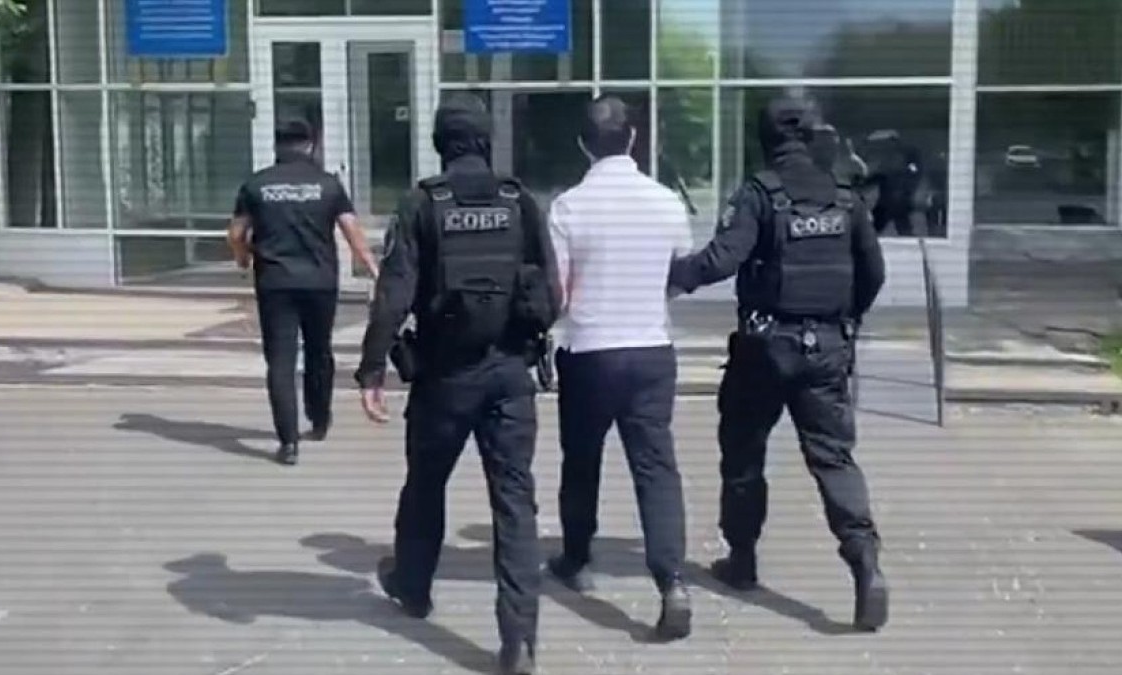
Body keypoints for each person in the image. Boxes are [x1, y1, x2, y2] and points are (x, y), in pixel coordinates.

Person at [353, 94, 561, 674]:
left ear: (439, 143)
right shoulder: (519, 201)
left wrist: (372, 368)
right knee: (514, 503)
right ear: (486, 141)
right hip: (510, 374)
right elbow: (551, 291)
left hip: (444, 377)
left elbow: (393, 292)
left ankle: (414, 588)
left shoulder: (424, 203)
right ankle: (519, 640)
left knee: (426, 485)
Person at [668, 92, 890, 632]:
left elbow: (722, 259)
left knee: (744, 453)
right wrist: (846, 320)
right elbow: (874, 272)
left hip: (765, 348)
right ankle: (865, 563)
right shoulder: (845, 196)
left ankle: (742, 560)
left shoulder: (759, 193)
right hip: (827, 347)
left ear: (764, 138)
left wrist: (670, 276)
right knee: (834, 458)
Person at [543, 95, 693, 641]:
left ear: (583, 144)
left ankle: (576, 558)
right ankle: (672, 582)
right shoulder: (666, 202)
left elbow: (557, 291)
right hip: (652, 350)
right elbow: (679, 274)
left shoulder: (567, 207)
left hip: (589, 352)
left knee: (581, 461)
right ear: (633, 138)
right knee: (656, 468)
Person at [227, 119, 379, 466]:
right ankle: (320, 419)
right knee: (318, 350)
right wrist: (373, 269)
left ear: (276, 145)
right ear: (310, 145)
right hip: (320, 282)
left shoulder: (256, 185)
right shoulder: (328, 184)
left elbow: (236, 234)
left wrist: (243, 259)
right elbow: (352, 231)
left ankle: (288, 442)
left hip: (275, 282)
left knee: (280, 361)